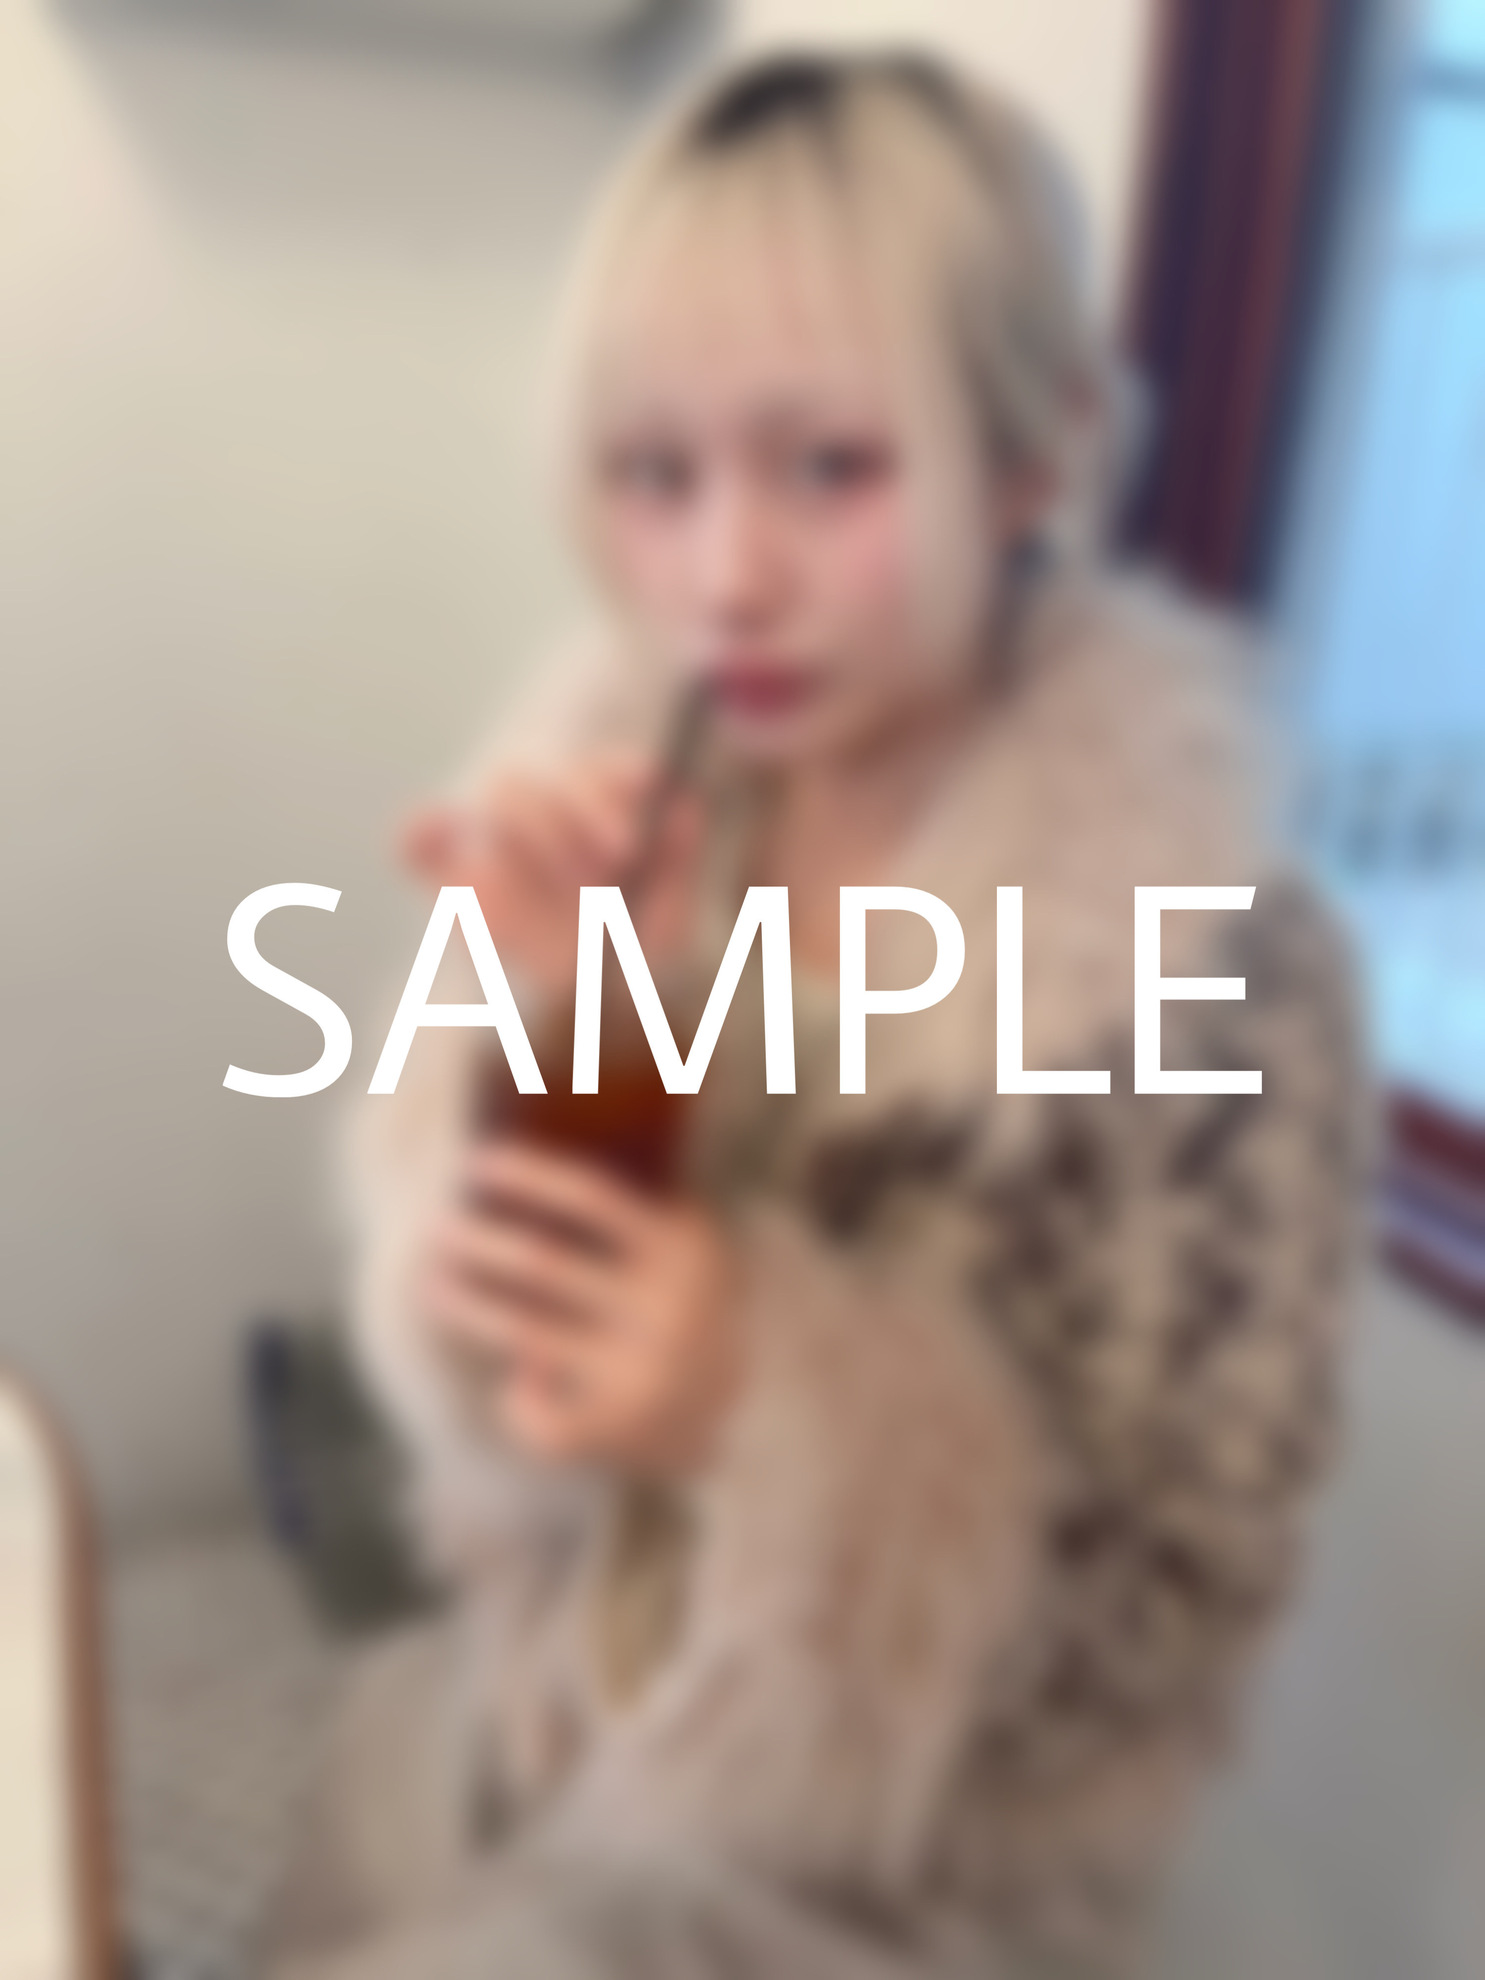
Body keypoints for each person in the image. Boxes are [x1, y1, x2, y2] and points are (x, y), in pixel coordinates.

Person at [267, 50, 1368, 1980]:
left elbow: (1164, 1621)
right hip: (525, 1724)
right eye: (655, 474)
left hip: (900, 1884)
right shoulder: (609, 794)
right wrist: (552, 1043)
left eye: (828, 466)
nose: (724, 580)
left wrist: (765, 1407)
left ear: (1032, 458)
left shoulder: (1223, 972)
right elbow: (477, 1399)